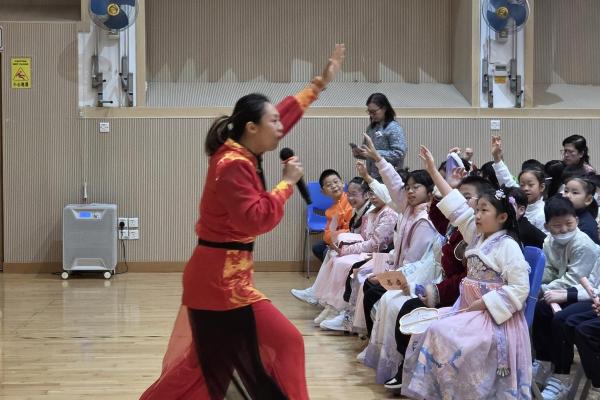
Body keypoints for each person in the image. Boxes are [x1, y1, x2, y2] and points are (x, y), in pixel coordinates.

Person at [139, 44, 345, 400]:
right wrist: (287, 183)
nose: (280, 128)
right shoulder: (232, 164)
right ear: (252, 127)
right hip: (219, 283)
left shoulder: (242, 151)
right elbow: (255, 219)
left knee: (207, 367)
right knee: (283, 343)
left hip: (225, 277)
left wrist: (319, 85)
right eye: (273, 123)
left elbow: (283, 112)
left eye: (279, 121)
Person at [401, 145, 532, 400]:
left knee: (441, 333)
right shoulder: (477, 235)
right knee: (425, 328)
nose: (477, 215)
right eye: (477, 209)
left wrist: (485, 303)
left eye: (484, 210)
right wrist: (433, 171)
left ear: (502, 217)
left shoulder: (508, 246)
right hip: (467, 310)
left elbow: (520, 288)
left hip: (493, 320)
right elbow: (456, 206)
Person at [492, 135, 547, 233]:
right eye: (522, 185)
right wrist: (497, 157)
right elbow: (506, 180)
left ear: (541, 187)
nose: (525, 188)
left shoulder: (543, 212)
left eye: (530, 185)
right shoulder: (517, 198)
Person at [352, 93, 406, 179]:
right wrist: (359, 153)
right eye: (369, 112)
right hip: (372, 176)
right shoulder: (371, 128)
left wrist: (374, 153)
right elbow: (368, 153)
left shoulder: (394, 128)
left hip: (389, 177)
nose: (371, 115)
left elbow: (399, 154)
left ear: (384, 108)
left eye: (374, 112)